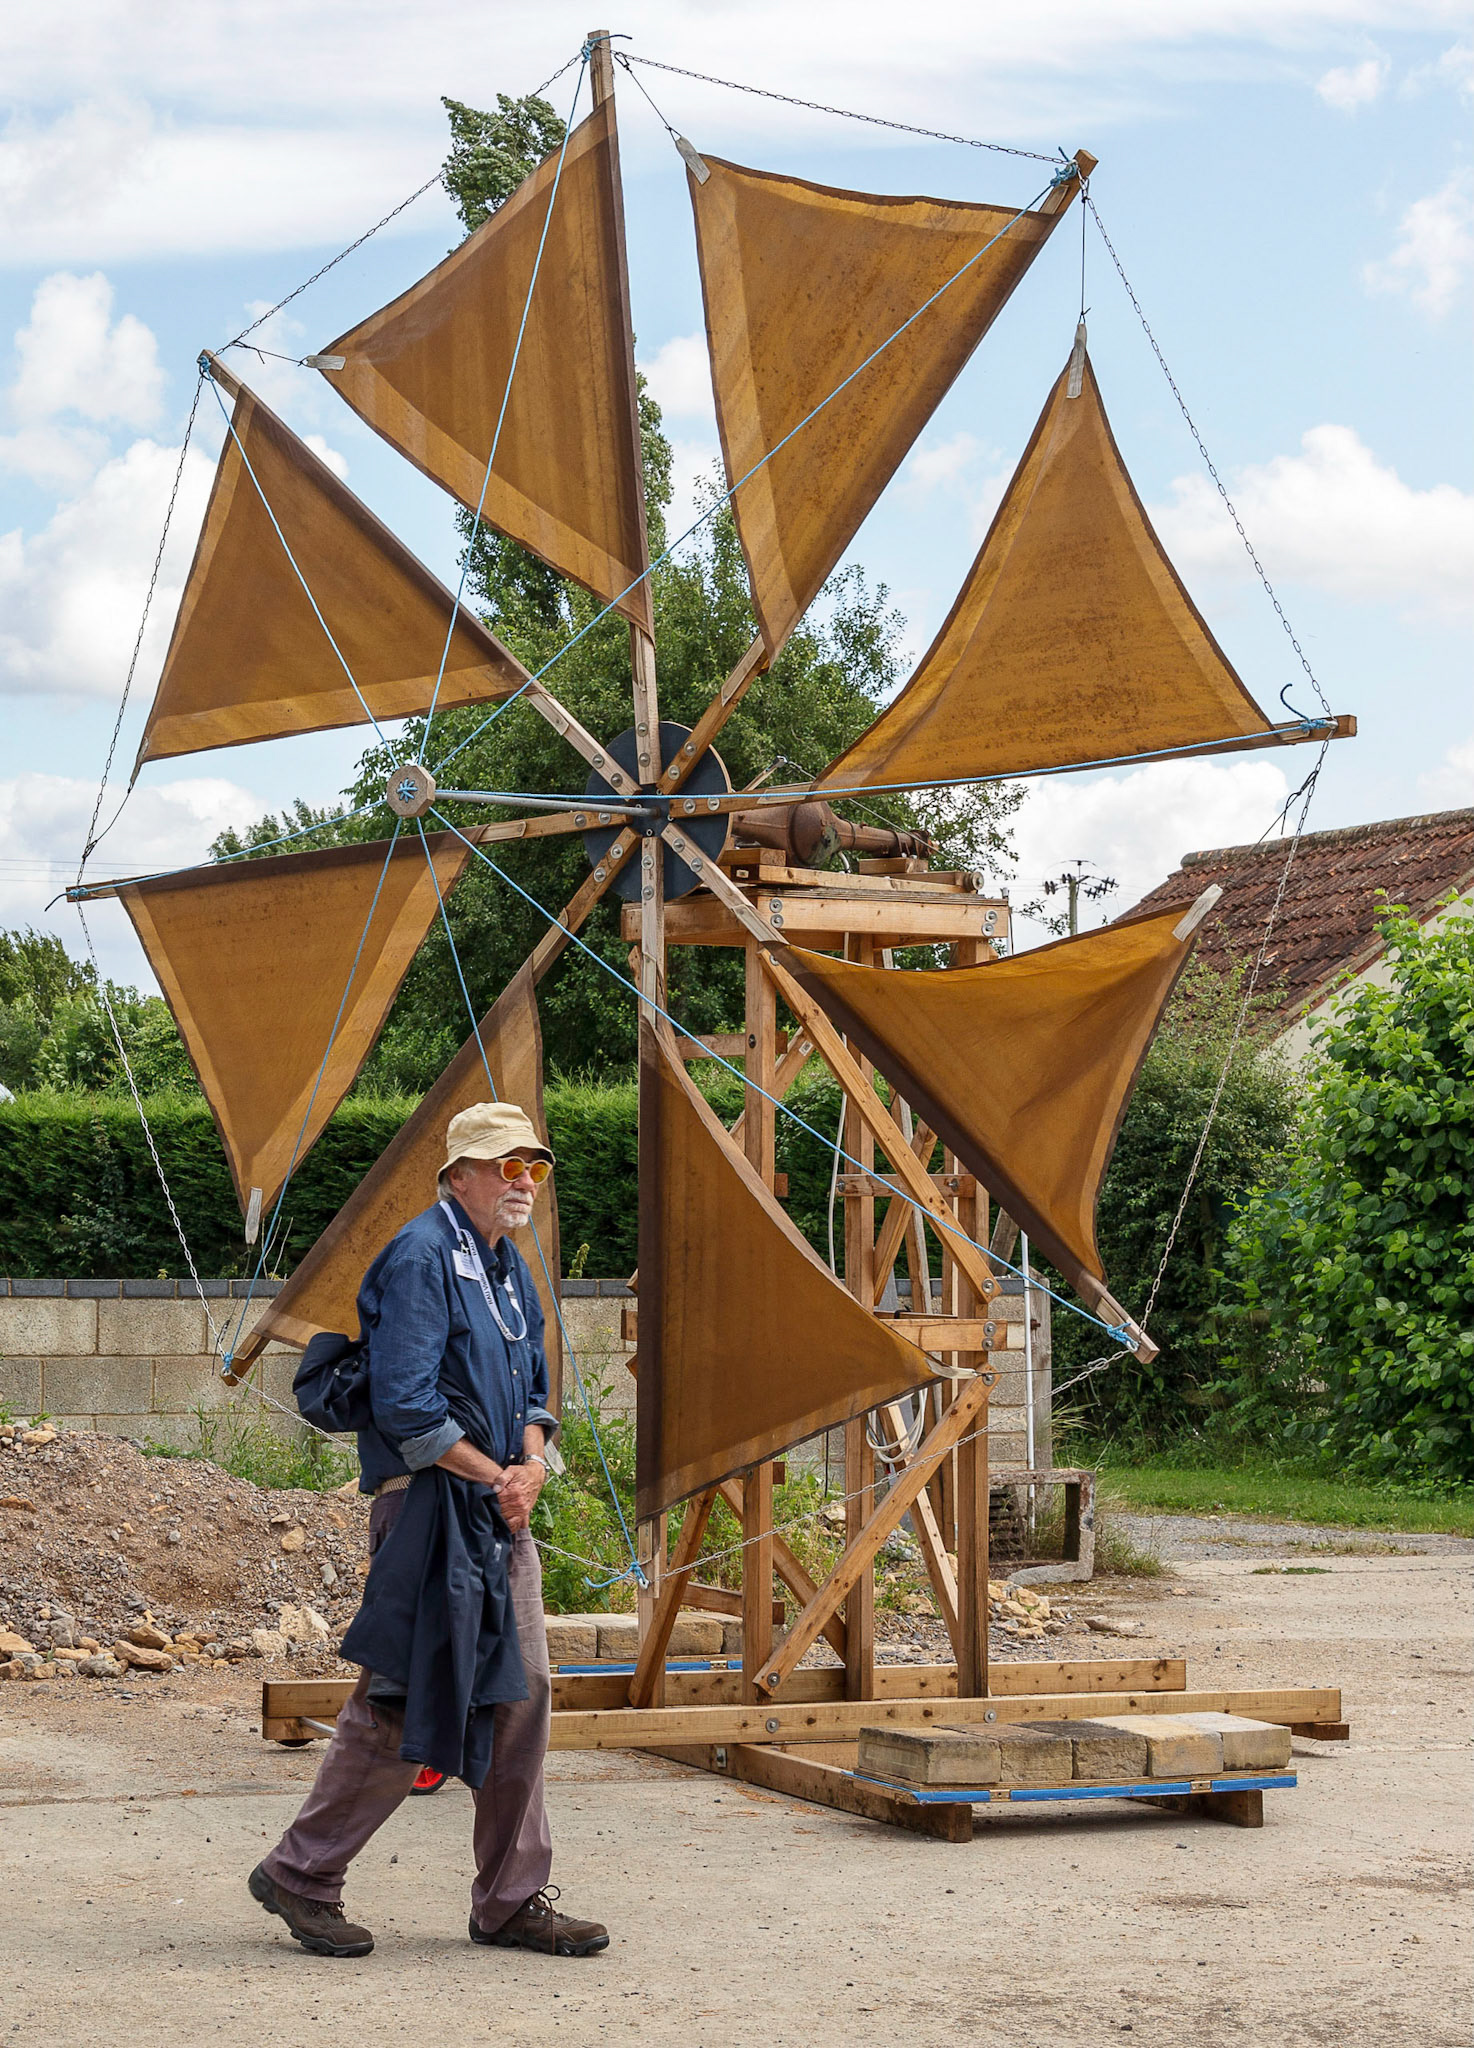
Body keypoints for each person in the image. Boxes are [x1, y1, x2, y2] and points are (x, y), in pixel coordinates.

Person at [248, 1102, 609, 1961]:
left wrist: (530, 1463)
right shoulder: (418, 1256)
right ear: (458, 1175)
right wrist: (499, 1477)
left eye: (533, 1167)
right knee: (400, 1698)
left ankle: (511, 1899)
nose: (523, 1181)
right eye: (505, 1166)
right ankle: (301, 1874)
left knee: (522, 1695)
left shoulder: (507, 1262)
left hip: (493, 1505)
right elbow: (409, 1403)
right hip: (429, 1509)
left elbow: (532, 1389)